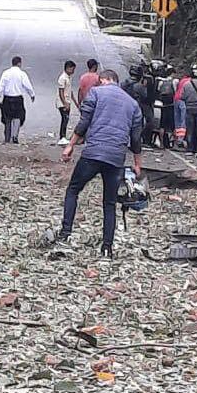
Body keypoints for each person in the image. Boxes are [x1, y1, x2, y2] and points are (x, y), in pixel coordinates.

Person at [60, 69, 144, 257]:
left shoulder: (96, 93)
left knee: (73, 190)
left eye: (99, 81)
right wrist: (137, 164)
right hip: (116, 158)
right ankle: (107, 247)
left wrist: (70, 145)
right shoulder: (132, 104)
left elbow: (84, 122)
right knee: (109, 203)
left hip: (93, 152)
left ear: (105, 80)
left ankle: (66, 233)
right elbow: (136, 138)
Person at [0, 56, 35, 144]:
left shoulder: (6, 73)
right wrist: (32, 95)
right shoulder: (22, 74)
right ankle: (15, 136)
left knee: (7, 118)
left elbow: (1, 84)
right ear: (19, 63)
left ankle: (7, 137)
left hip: (7, 98)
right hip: (18, 98)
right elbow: (27, 85)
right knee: (18, 117)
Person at [155, 65, 176, 149]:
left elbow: (158, 91)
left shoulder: (161, 82)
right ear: (172, 74)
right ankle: (173, 144)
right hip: (171, 105)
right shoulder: (173, 82)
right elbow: (175, 91)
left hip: (163, 105)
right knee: (172, 126)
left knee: (162, 125)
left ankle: (161, 143)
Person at [56, 60, 77, 145]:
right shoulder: (62, 78)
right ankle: (62, 137)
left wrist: (75, 102)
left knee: (66, 119)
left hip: (67, 101)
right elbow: (61, 91)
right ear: (68, 68)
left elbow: (70, 91)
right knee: (65, 119)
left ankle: (63, 136)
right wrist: (64, 103)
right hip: (63, 102)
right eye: (72, 69)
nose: (73, 71)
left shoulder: (68, 78)